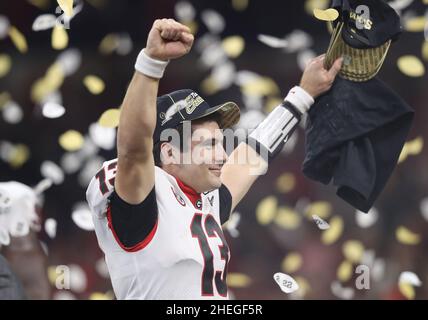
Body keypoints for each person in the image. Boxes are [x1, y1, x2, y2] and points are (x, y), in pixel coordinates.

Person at [86, 18, 343, 300]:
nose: (222, 155)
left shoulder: (203, 198)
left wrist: (303, 95)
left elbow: (251, 156)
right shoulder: (144, 198)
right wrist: (151, 62)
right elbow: (133, 149)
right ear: (169, 151)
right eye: (208, 145)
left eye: (220, 143)